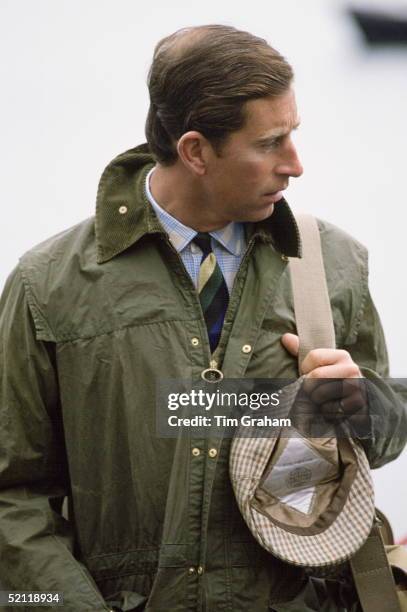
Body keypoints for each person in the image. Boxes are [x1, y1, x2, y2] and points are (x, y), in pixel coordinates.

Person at [0, 24, 405, 612]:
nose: (295, 165)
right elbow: (12, 494)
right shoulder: (48, 283)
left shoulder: (332, 264)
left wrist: (351, 404)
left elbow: (386, 438)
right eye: (270, 143)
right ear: (195, 151)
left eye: (294, 134)